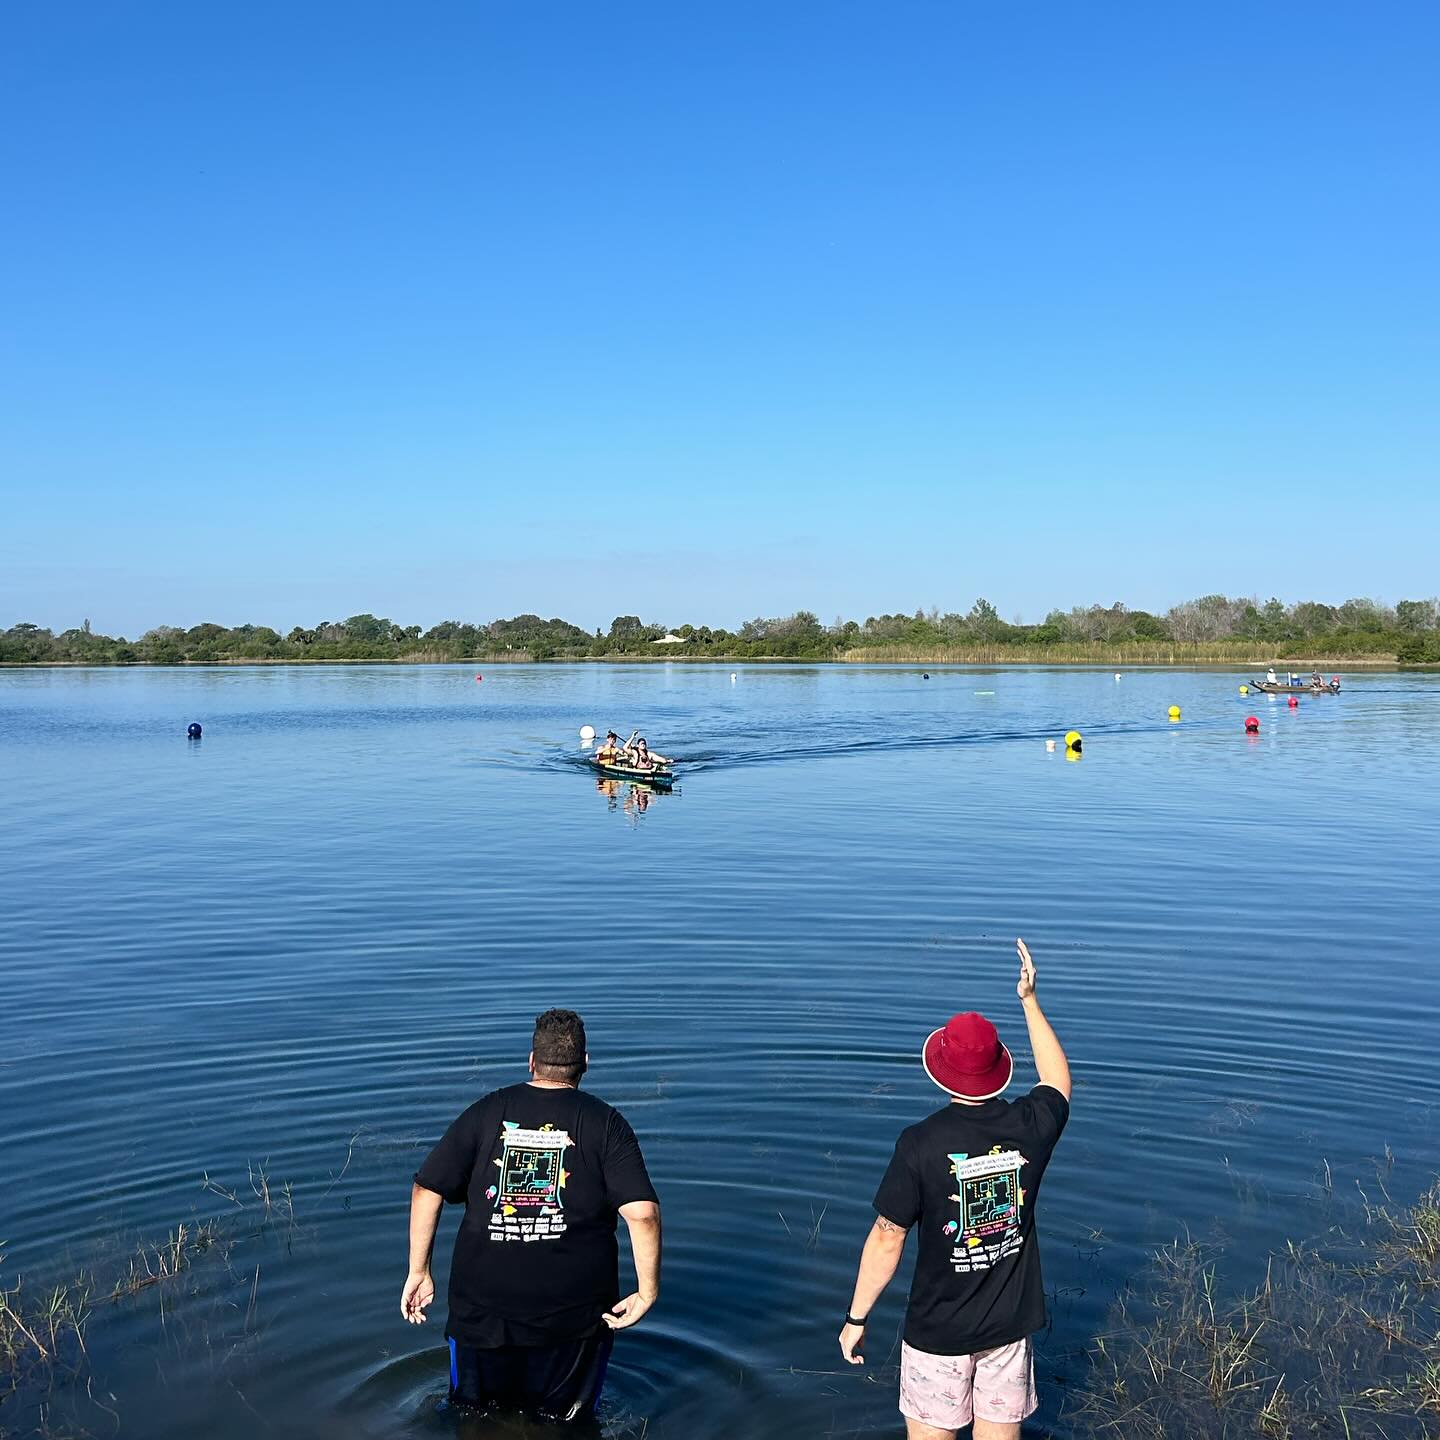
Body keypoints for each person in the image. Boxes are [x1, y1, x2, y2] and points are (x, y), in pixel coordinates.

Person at [838, 939, 1071, 1440]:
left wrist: (856, 1317)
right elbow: (1057, 1081)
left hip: (937, 1335)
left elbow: (887, 1238)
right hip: (1008, 1331)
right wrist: (1030, 1001)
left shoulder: (919, 1144)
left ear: (942, 1072)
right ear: (999, 1069)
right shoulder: (1031, 1126)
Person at [402, 1009, 662, 1425]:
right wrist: (647, 1292)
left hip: (482, 1315)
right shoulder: (606, 1123)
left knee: (474, 1418)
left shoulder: (486, 1111)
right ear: (585, 1064)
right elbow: (643, 1215)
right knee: (568, 1426)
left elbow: (426, 1188)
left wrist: (419, 1270)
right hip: (573, 1320)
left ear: (531, 1061)